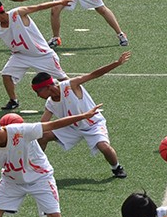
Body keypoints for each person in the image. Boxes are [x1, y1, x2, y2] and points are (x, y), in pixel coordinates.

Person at [31, 51, 130, 180]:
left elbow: (94, 74)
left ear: (48, 87)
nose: (38, 95)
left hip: (93, 124)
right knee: (43, 137)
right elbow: (43, 124)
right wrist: (26, 134)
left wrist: (116, 63)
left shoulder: (70, 85)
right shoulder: (50, 103)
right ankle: (36, 167)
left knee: (104, 147)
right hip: (72, 127)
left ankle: (116, 167)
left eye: (38, 91)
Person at [0, 0, 70, 111]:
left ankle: (77, 94)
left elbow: (39, 7)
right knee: (6, 74)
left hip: (41, 55)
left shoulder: (17, 14)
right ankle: (13, 101)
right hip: (21, 56)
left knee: (63, 79)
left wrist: (60, 2)